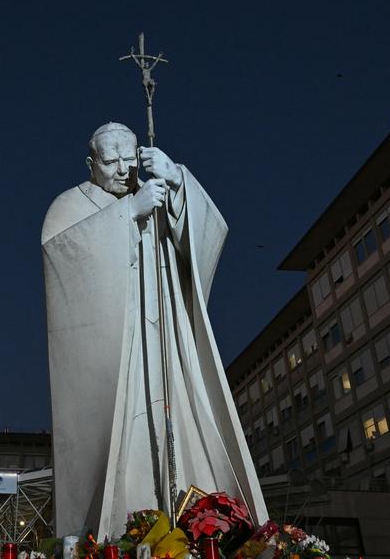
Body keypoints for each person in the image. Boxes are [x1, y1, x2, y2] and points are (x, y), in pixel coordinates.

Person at [41, 122, 267, 540]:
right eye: (111, 161)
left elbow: (207, 235)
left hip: (166, 343)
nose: (124, 169)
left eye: (130, 159)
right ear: (91, 164)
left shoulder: (156, 193)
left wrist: (177, 178)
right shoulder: (68, 207)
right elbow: (63, 260)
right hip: (116, 352)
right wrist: (128, 214)